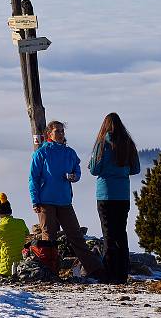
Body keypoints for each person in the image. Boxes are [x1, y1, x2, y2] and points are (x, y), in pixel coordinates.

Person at [29, 120, 106, 281]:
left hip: (64, 200)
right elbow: (33, 178)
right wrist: (35, 200)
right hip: (45, 201)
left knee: (76, 235)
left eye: (62, 131)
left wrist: (74, 177)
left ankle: (95, 269)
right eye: (57, 131)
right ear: (49, 134)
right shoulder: (41, 153)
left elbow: (77, 171)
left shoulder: (69, 152)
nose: (61, 134)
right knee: (49, 237)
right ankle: (50, 272)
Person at [88, 113, 140, 284]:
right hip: (123, 195)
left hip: (105, 194)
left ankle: (109, 273)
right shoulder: (128, 143)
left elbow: (94, 169)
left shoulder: (102, 144)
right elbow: (136, 169)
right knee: (121, 233)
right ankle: (122, 273)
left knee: (108, 235)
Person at [0, 193, 29, 276]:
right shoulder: (21, 223)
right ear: (10, 211)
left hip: (4, 270)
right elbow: (26, 234)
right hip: (20, 266)